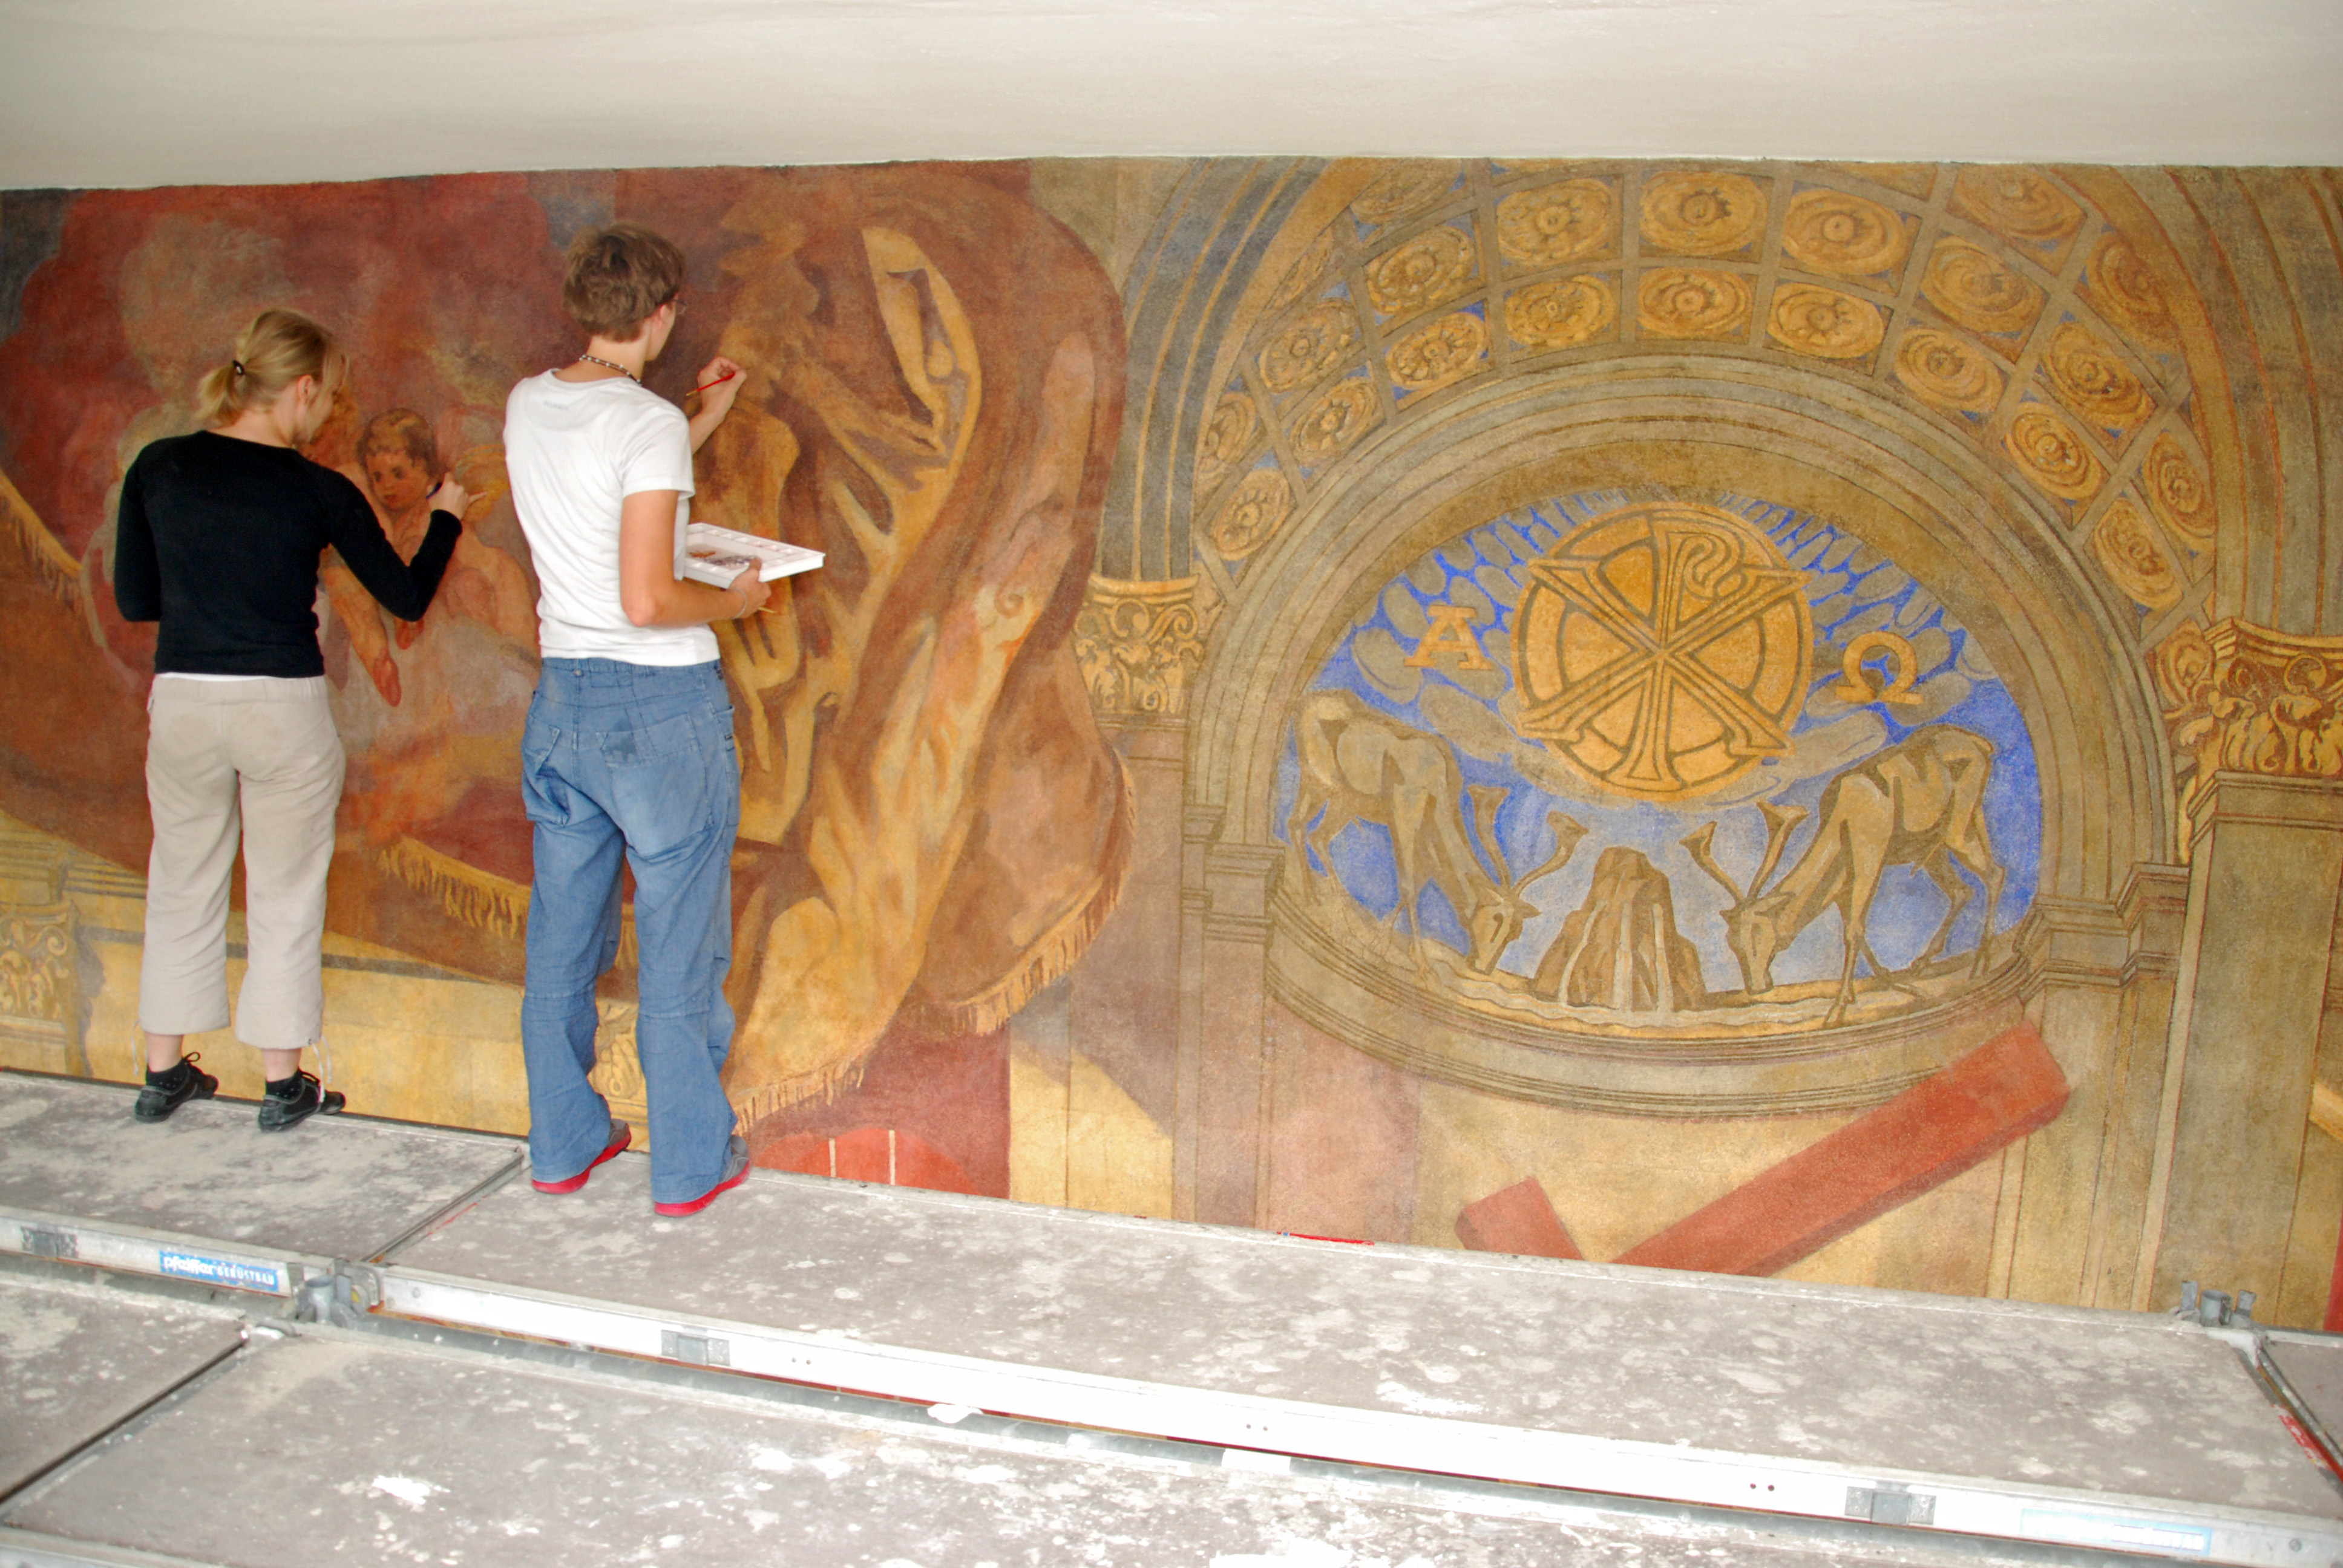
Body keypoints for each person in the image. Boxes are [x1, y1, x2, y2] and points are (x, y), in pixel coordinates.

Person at [115, 307, 466, 1128]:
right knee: (285, 892)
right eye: (331, 396)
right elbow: (407, 594)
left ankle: (162, 1073)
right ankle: (281, 1086)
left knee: (180, 879)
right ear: (302, 389)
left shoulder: (160, 466)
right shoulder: (318, 489)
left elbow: (136, 599)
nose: (331, 411)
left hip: (185, 698)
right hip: (280, 704)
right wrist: (446, 513)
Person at [502, 221, 761, 1217]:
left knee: (561, 946)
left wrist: (700, 419)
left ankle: (564, 1144)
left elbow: (600, 479)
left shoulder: (530, 402)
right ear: (661, 313)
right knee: (679, 944)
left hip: (564, 701)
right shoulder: (644, 425)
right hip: (660, 711)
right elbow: (650, 599)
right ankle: (690, 1164)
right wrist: (737, 599)